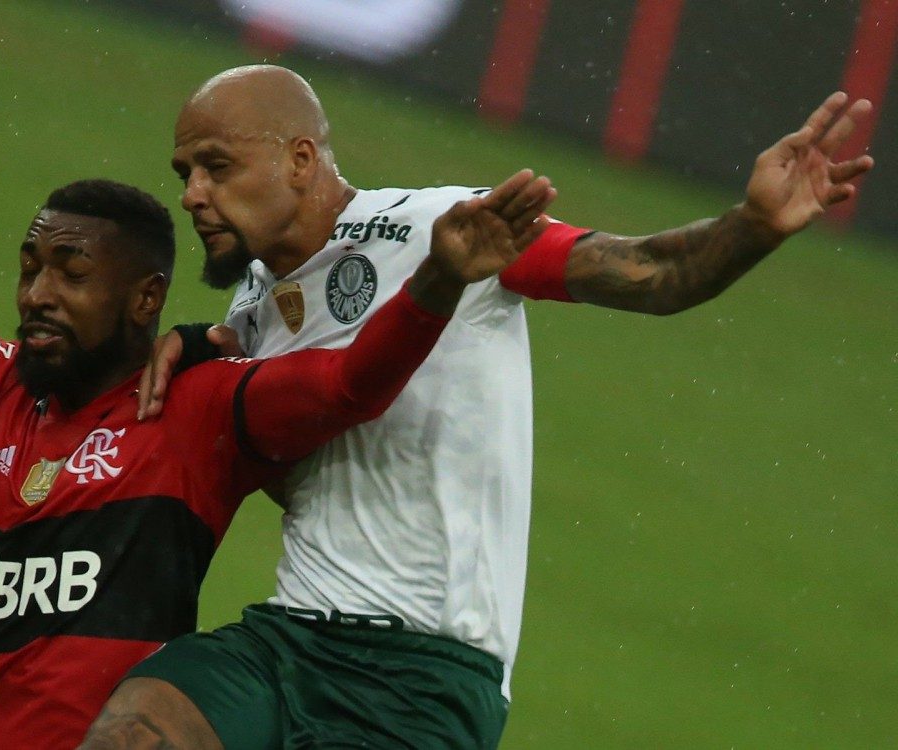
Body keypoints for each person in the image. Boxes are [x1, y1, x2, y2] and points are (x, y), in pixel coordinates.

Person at [80, 66, 876, 749]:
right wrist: (195, 341)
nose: (192, 195)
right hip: (291, 635)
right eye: (185, 171)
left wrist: (753, 226)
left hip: (425, 674)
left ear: (299, 158)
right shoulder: (256, 299)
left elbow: (649, 271)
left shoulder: (443, 229)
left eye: (216, 167)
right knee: (137, 727)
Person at [0, 165, 553, 749]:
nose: (37, 295)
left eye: (71, 272)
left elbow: (346, 387)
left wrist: (438, 283)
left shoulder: (196, 412)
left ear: (144, 299)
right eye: (29, 269)